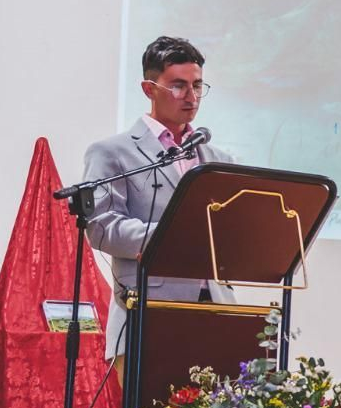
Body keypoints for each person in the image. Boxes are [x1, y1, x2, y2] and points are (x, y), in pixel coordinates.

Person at [84, 36, 234, 363]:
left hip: (219, 316)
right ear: (148, 88)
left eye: (197, 85)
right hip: (146, 315)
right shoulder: (111, 153)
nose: (191, 96)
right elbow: (101, 227)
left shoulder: (220, 160)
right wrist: (173, 235)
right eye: (178, 86)